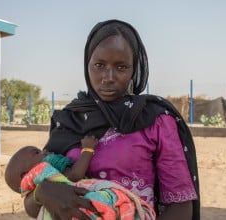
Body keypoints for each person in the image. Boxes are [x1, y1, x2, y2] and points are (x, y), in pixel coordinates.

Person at [23, 19, 200, 220]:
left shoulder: (155, 120)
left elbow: (181, 205)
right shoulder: (69, 120)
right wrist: (41, 193)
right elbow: (31, 202)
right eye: (99, 65)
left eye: (121, 67)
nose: (108, 77)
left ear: (134, 69)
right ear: (87, 64)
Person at [5, 136, 156, 219]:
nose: (45, 151)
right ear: (25, 175)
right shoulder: (42, 172)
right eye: (36, 153)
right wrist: (88, 150)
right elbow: (75, 175)